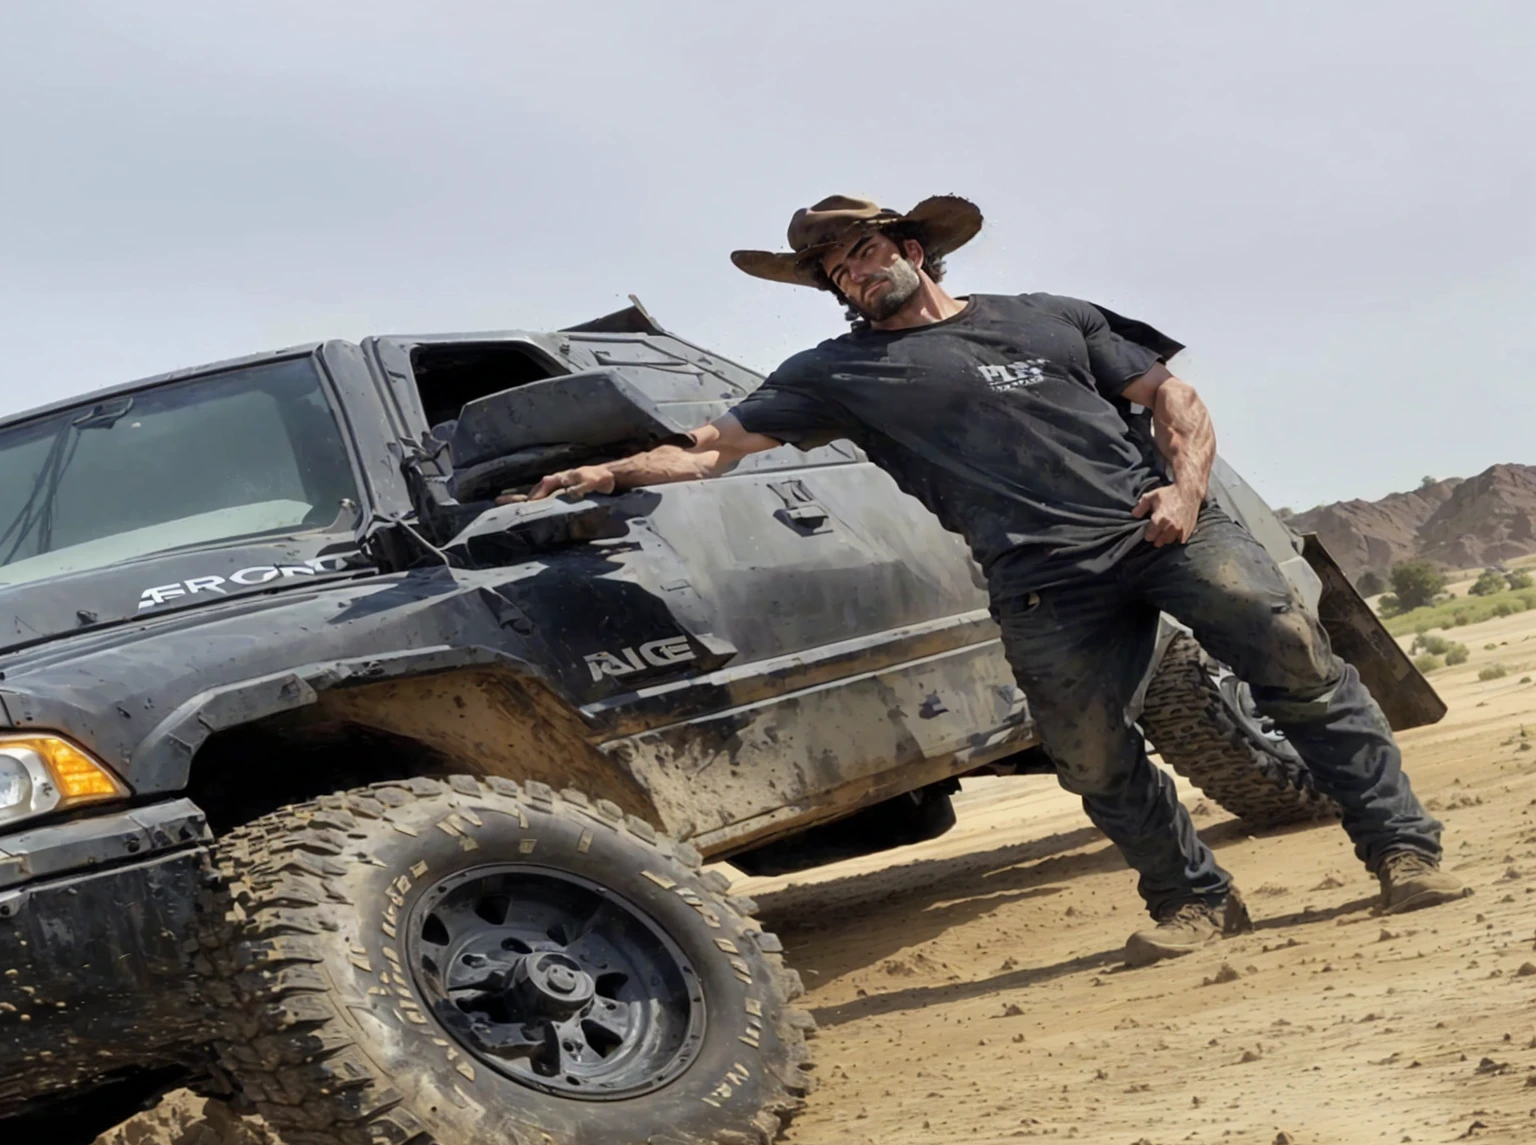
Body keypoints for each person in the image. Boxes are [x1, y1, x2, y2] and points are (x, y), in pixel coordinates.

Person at [507, 193, 1468, 964]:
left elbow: (1170, 393)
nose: (850, 270)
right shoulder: (836, 373)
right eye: (833, 267)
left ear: (914, 248)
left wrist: (1183, 492)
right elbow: (713, 448)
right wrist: (614, 469)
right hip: (1042, 579)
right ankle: (1193, 903)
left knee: (1297, 668)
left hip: (1163, 528)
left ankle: (1402, 850)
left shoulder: (1047, 317)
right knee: (1086, 754)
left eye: (862, 248)